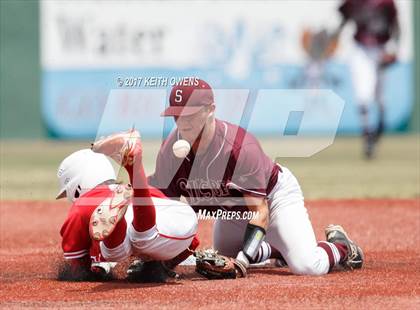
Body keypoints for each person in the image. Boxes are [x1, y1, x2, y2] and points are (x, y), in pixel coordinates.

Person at [148, 78, 364, 277]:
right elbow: (167, 210)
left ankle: (341, 246)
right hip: (232, 210)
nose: (183, 122)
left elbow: (260, 213)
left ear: (210, 110)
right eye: (177, 115)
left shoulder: (239, 148)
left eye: (191, 114)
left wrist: (242, 263)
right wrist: (160, 259)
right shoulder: (170, 152)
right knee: (223, 256)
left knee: (307, 266)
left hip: (273, 198)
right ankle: (278, 250)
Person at [56, 130, 198, 282]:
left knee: (120, 249)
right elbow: (194, 242)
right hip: (176, 217)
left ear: (76, 187)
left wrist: (94, 271)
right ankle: (131, 170)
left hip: (146, 227)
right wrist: (157, 268)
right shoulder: (141, 190)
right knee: (134, 242)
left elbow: (77, 268)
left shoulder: (83, 204)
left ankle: (120, 215)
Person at [335, 0, 399, 158]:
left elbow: (396, 24)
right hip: (361, 49)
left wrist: (394, 47)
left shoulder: (387, 2)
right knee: (363, 95)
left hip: (381, 47)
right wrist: (334, 36)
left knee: (380, 98)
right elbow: (345, 16)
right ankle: (367, 136)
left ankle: (379, 128)